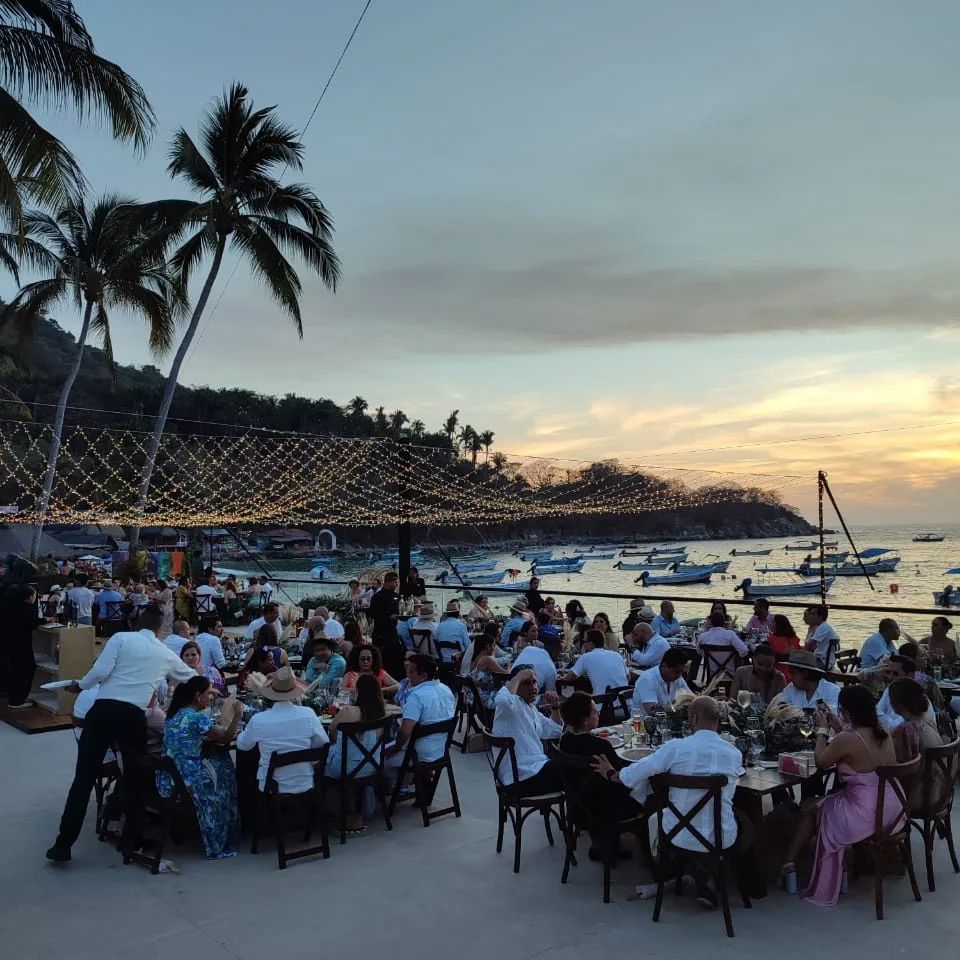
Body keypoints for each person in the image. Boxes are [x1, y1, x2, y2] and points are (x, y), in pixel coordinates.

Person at [47, 605, 196, 862]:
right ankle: (130, 842)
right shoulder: (164, 652)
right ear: (159, 628)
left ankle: (63, 844)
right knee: (134, 779)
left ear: (137, 622)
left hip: (103, 711)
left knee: (82, 779)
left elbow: (101, 671)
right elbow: (192, 678)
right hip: (132, 718)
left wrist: (80, 685)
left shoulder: (120, 638)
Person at [592, 695, 747, 909]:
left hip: (678, 835)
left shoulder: (676, 747)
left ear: (693, 718)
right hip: (720, 837)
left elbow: (640, 770)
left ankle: (677, 870)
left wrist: (611, 773)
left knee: (656, 812)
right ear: (718, 720)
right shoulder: (734, 753)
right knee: (744, 822)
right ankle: (715, 881)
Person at [782, 684, 900, 906]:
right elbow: (856, 747)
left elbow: (821, 761)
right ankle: (800, 863)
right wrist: (839, 727)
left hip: (867, 812)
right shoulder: (882, 731)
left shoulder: (847, 739)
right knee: (822, 802)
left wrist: (821, 729)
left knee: (810, 807)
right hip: (893, 806)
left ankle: (788, 863)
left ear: (846, 712)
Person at [157, 676, 241, 859]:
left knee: (220, 760)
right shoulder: (196, 718)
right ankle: (222, 833)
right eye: (209, 693)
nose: (211, 697)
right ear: (197, 696)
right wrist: (238, 714)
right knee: (225, 770)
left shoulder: (175, 715)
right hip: (186, 778)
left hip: (168, 776)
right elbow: (226, 737)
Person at [559, 692, 646, 858]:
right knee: (647, 793)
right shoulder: (600, 745)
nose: (598, 713)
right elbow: (623, 775)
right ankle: (649, 854)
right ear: (585, 720)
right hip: (603, 808)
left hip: (577, 806)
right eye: (594, 711)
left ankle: (602, 843)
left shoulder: (565, 739)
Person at [237, 666, 329, 794]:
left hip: (272, 786)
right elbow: (323, 742)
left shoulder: (259, 720)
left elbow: (243, 745)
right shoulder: (308, 714)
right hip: (305, 782)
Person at [324, 673, 386, 832]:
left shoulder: (348, 712)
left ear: (358, 691)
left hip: (345, 768)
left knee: (318, 761)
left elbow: (331, 731)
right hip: (372, 767)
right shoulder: (383, 713)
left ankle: (329, 812)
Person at [491, 668, 563, 792]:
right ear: (516, 684)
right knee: (575, 773)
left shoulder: (530, 708)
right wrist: (518, 677)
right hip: (519, 780)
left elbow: (555, 731)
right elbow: (503, 701)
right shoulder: (508, 709)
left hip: (536, 771)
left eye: (534, 682)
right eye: (526, 683)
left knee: (577, 774)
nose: (533, 687)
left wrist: (555, 707)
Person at [386, 654, 456, 769]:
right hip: (440, 752)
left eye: (411, 672)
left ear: (423, 676)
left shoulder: (417, 696)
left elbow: (404, 733)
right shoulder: (446, 689)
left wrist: (395, 748)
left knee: (375, 758)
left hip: (415, 755)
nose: (408, 676)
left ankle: (398, 785)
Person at [888, 677, 948, 809]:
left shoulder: (906, 730)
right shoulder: (928, 721)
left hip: (919, 795)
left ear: (896, 703)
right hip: (940, 791)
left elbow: (895, 765)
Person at [875, 654, 937, 731]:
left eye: (895, 673)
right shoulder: (891, 688)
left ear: (910, 675)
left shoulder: (915, 697)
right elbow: (878, 714)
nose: (889, 677)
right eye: (888, 672)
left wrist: (871, 708)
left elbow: (895, 728)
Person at [5, 584, 42, 709]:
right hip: (21, 644)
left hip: (9, 644)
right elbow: (32, 623)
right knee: (26, 669)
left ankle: (14, 697)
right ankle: (18, 699)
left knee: (14, 670)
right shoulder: (26, 609)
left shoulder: (10, 606)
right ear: (29, 597)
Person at [565, 628, 628, 694]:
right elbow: (628, 677)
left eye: (584, 642)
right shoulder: (617, 655)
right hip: (626, 701)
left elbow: (568, 678)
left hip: (603, 702)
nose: (583, 644)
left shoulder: (586, 657)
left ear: (591, 643)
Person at [631, 648, 691, 717]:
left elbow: (691, 698)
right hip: (642, 723)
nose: (679, 675)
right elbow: (652, 710)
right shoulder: (647, 679)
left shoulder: (677, 678)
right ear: (664, 666)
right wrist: (677, 705)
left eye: (681, 672)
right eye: (676, 672)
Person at [771, 651, 841, 711]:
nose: (789, 677)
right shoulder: (791, 688)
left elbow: (831, 719)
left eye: (793, 673)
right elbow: (775, 706)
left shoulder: (832, 691)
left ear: (805, 673)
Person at [368, 571, 404, 679]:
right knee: (383, 660)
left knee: (396, 660)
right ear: (388, 582)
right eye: (395, 582)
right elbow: (372, 613)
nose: (397, 585)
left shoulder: (396, 596)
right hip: (381, 634)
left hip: (393, 632)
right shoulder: (377, 597)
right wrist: (388, 617)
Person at [697, 610, 748, 675]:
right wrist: (736, 655)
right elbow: (744, 651)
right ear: (724, 623)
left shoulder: (703, 636)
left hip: (712, 675)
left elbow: (699, 652)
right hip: (730, 674)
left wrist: (708, 655)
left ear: (711, 622)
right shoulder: (730, 634)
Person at [467, 633, 510, 709]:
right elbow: (507, 675)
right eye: (493, 645)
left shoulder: (476, 657)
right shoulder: (487, 659)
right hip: (483, 698)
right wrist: (508, 666)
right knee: (510, 698)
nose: (494, 648)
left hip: (474, 695)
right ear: (488, 647)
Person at [512, 623, 557, 692]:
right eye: (533, 631)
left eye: (537, 631)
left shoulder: (538, 643)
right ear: (525, 633)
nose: (536, 633)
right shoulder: (518, 644)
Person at [803, 604, 840, 670]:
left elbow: (809, 646)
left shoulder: (823, 627)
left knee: (795, 663)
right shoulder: (823, 626)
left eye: (812, 614)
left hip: (822, 662)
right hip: (822, 660)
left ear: (820, 616)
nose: (810, 616)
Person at [767, 614, 802, 682]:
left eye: (773, 622)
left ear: (778, 625)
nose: (771, 624)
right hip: (794, 671)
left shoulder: (773, 639)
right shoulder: (794, 638)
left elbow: (768, 655)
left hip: (778, 671)